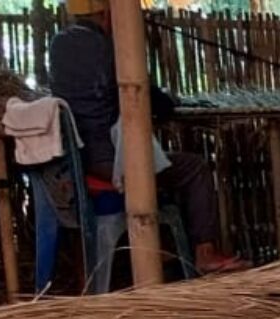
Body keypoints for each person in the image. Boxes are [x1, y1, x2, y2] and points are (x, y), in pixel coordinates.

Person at [46, 0, 244, 275]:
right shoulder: (112, 49)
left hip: (80, 161)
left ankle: (166, 252)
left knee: (164, 170)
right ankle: (204, 254)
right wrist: (170, 101)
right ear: (108, 14)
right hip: (112, 164)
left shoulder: (58, 46)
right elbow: (154, 103)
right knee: (194, 168)